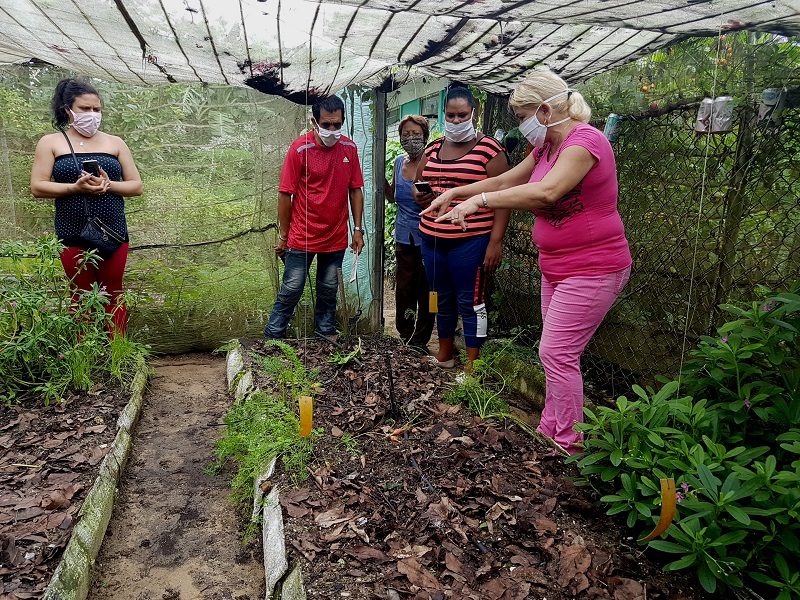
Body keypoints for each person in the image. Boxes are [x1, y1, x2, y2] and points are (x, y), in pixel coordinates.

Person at [423, 69, 632, 455]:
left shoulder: (586, 142)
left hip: (594, 266)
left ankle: (568, 443)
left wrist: (478, 203)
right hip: (558, 267)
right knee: (554, 354)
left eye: (521, 117)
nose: (521, 125)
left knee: (557, 353)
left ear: (544, 110)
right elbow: (505, 182)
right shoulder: (546, 149)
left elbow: (547, 192)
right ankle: (550, 427)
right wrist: (455, 192)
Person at [31, 78, 143, 336]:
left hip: (112, 230)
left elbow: (136, 185)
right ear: (67, 109)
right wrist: (74, 188)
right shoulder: (50, 142)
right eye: (85, 109)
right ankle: (84, 357)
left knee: (113, 291)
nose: (92, 115)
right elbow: (38, 186)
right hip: (71, 231)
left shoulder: (115, 142)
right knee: (80, 294)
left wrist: (108, 184)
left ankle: (118, 354)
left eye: (97, 109)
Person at [413, 84, 511, 372]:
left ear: (474, 113)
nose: (456, 121)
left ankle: (472, 367)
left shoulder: (490, 150)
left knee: (470, 301)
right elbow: (421, 191)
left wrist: (496, 241)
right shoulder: (432, 148)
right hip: (431, 238)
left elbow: (503, 197)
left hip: (470, 240)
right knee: (439, 297)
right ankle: (444, 354)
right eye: (450, 115)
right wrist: (421, 197)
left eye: (462, 115)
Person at [264, 95, 365, 340]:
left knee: (328, 289)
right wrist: (284, 236)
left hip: (335, 236)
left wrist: (358, 229)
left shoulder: (349, 149)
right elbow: (284, 194)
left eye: (337, 125)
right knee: (291, 288)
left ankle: (325, 333)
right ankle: (273, 337)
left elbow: (355, 189)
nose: (332, 130)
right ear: (314, 122)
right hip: (302, 235)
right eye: (327, 125)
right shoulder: (300, 149)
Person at [385, 115, 435, 352]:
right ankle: (405, 335)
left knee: (428, 288)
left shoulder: (434, 161)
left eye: (416, 134)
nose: (411, 139)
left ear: (425, 135)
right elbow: (393, 196)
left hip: (430, 235)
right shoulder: (397, 162)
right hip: (404, 234)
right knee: (405, 287)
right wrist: (379, 182)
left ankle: (422, 339)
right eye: (406, 134)